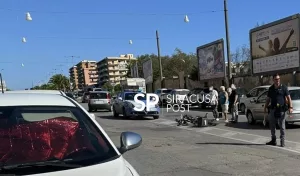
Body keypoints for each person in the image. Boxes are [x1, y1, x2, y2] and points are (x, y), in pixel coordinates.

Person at [264, 73, 293, 147]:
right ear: (273, 80)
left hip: (281, 110)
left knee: (282, 126)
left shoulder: (284, 87)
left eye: (279, 79)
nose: (278, 80)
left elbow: (289, 98)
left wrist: (290, 107)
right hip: (273, 110)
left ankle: (282, 141)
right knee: (272, 126)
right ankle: (273, 140)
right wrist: (265, 107)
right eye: (276, 79)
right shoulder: (271, 89)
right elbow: (268, 99)